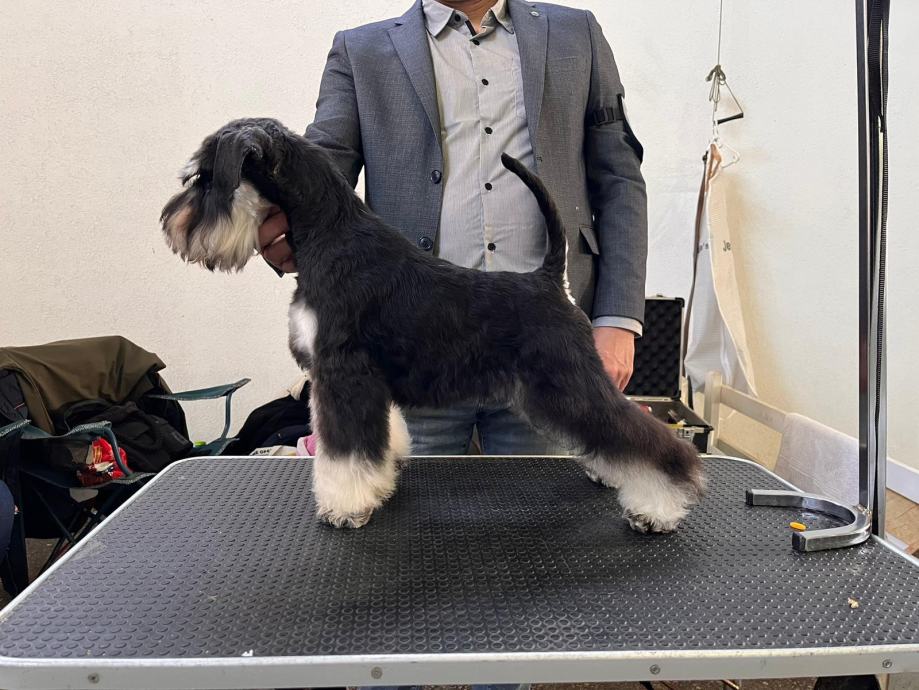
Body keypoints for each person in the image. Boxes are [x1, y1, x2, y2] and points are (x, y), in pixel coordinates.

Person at [260, 0, 647, 459]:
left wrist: (618, 320)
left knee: (546, 499)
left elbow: (620, 179)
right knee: (407, 502)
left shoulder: (577, 32)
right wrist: (269, 217)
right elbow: (323, 167)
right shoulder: (358, 50)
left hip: (542, 335)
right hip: (410, 343)